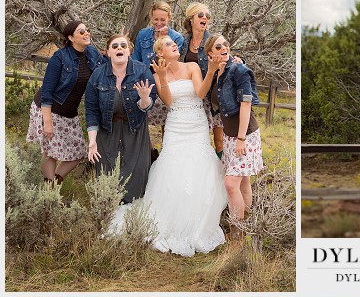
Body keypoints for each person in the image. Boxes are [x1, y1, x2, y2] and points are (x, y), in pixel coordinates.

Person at [110, 35, 227, 256]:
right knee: (172, 166)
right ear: (160, 53)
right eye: (169, 45)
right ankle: (171, 217)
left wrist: (210, 71)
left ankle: (196, 218)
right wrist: (162, 78)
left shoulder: (192, 66)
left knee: (199, 165)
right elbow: (169, 101)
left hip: (196, 124)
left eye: (175, 44)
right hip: (175, 125)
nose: (175, 46)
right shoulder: (156, 74)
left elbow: (201, 93)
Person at [27, 21, 105, 185]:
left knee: (78, 153)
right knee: (50, 153)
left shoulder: (91, 52)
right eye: (81, 31)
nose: (86, 33)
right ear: (71, 37)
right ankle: (50, 192)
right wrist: (47, 122)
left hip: (69, 113)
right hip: (48, 110)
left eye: (87, 30)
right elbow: (47, 92)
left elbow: (105, 66)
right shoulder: (60, 58)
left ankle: (53, 185)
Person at [206, 33, 264, 241]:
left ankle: (237, 233)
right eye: (218, 46)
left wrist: (241, 138)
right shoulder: (216, 74)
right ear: (210, 53)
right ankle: (246, 224)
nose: (224, 48)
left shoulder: (239, 70)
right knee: (243, 182)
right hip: (230, 135)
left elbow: (246, 103)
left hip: (244, 134)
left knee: (231, 183)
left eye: (225, 44)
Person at [85, 34, 156, 204]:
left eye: (123, 46)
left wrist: (145, 98)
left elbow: (148, 105)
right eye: (115, 46)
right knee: (107, 173)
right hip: (106, 130)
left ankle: (134, 219)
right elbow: (91, 110)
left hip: (135, 128)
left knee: (137, 173)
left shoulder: (141, 71)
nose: (119, 48)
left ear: (129, 50)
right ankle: (109, 216)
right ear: (108, 52)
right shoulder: (97, 75)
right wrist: (92, 141)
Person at [179, 2, 223, 157]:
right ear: (191, 19)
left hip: (212, 94)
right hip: (191, 97)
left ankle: (222, 174)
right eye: (200, 15)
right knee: (196, 137)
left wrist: (240, 60)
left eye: (207, 16)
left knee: (219, 140)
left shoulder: (213, 41)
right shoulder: (183, 42)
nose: (205, 18)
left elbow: (226, 57)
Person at [132, 0, 184, 129]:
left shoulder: (176, 38)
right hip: (144, 81)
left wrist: (164, 40)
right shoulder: (143, 34)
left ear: (169, 18)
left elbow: (169, 62)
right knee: (140, 116)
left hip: (165, 81)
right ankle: (148, 149)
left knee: (168, 121)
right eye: (156, 19)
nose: (159, 23)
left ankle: (166, 146)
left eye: (162, 19)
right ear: (151, 17)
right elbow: (135, 59)